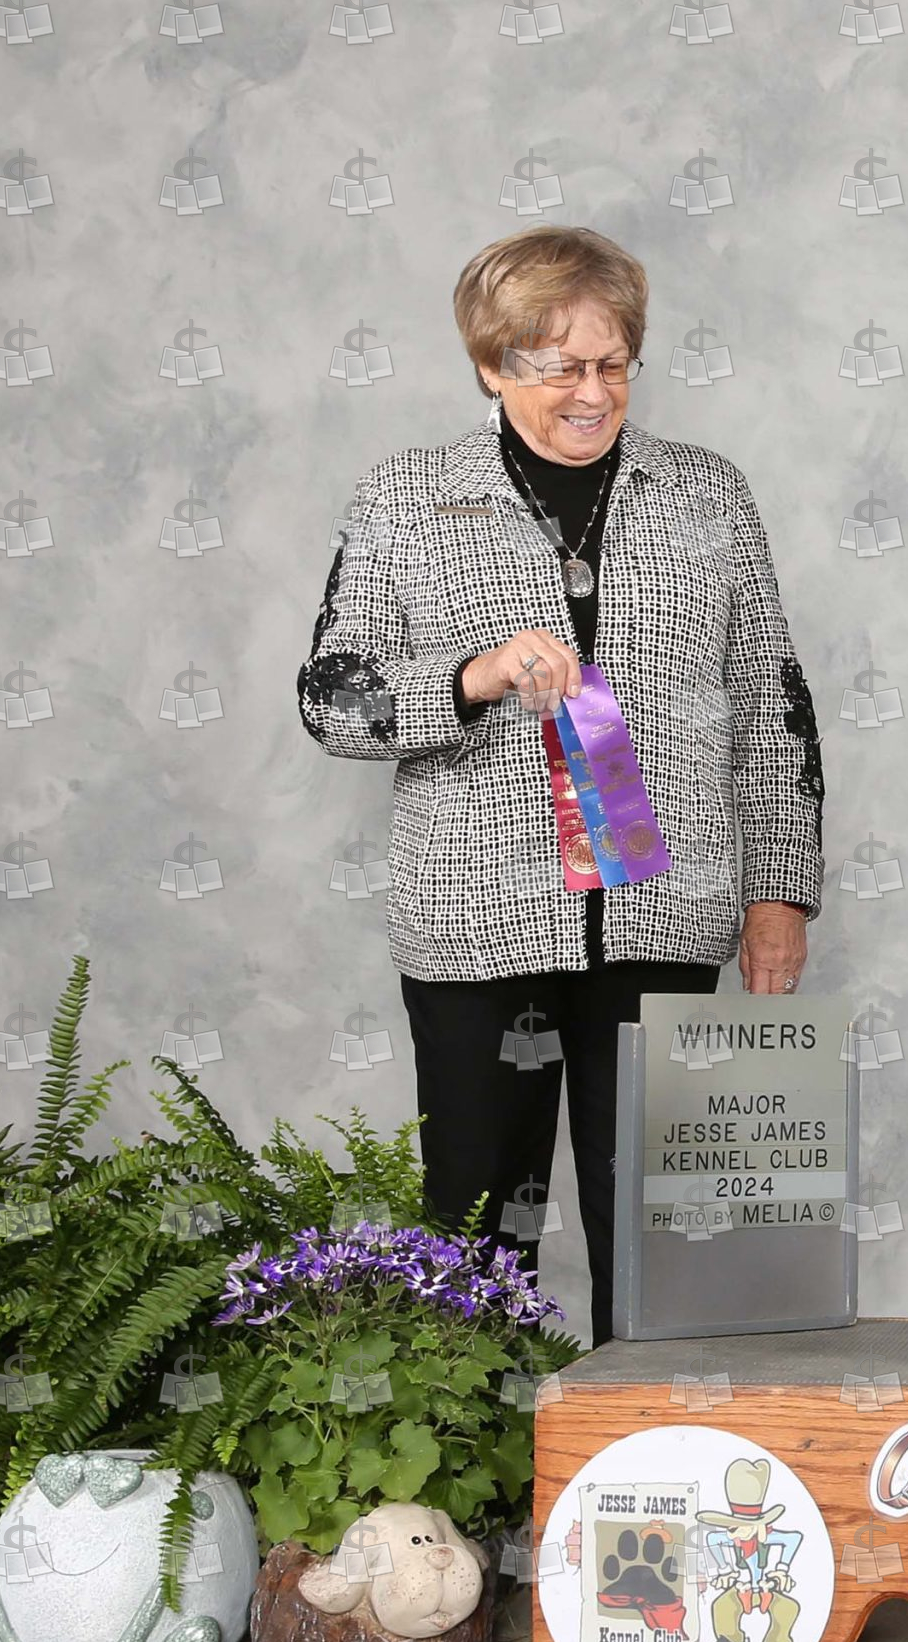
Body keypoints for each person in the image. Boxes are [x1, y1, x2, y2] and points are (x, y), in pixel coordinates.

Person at [295, 225, 825, 1344]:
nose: (593, 393)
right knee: (478, 1232)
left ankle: (651, 1445)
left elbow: (771, 704)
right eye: (561, 367)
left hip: (662, 911)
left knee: (664, 1229)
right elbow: (333, 699)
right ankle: (481, 1454)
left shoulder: (707, 494)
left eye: (614, 363)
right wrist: (471, 677)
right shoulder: (406, 497)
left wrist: (780, 891)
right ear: (492, 365)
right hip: (476, 926)